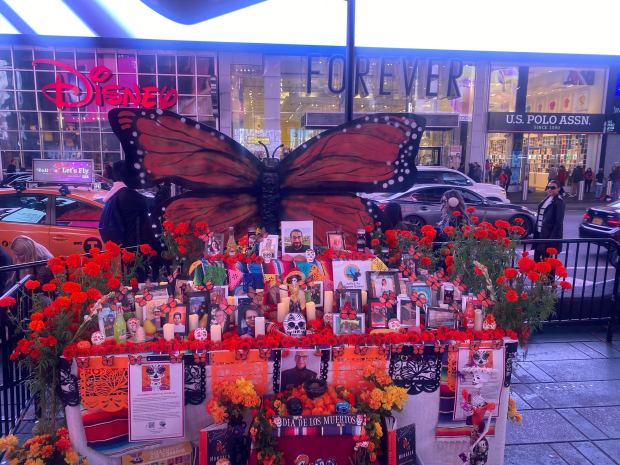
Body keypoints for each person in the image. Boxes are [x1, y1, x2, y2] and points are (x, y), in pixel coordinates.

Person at [533, 180, 565, 263]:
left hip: (548, 237)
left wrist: (551, 240)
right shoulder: (548, 198)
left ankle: (549, 276)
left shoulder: (559, 202)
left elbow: (558, 223)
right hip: (540, 234)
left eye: (553, 187)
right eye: (548, 187)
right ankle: (538, 276)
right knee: (537, 260)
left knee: (547, 262)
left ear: (558, 189)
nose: (550, 189)